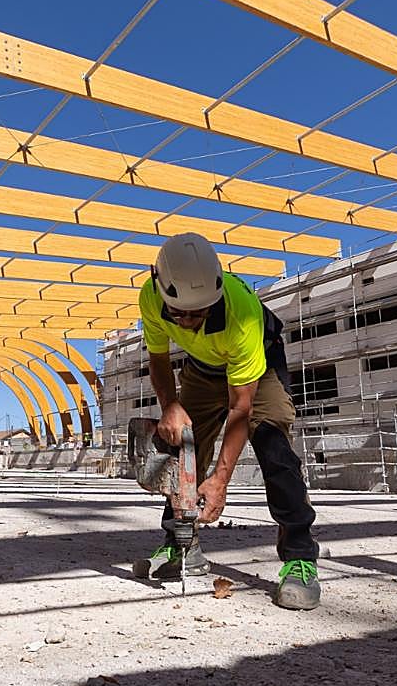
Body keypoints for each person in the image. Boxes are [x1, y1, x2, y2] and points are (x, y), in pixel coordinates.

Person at [131, 233, 321, 610]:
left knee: (273, 445)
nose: (186, 322)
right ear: (158, 283)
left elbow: (240, 408)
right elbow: (157, 359)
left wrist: (220, 480)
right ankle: (182, 545)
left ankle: (300, 558)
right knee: (180, 446)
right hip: (202, 369)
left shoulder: (242, 313)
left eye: (198, 313)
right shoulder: (150, 297)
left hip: (258, 368)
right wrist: (170, 405)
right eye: (178, 313)